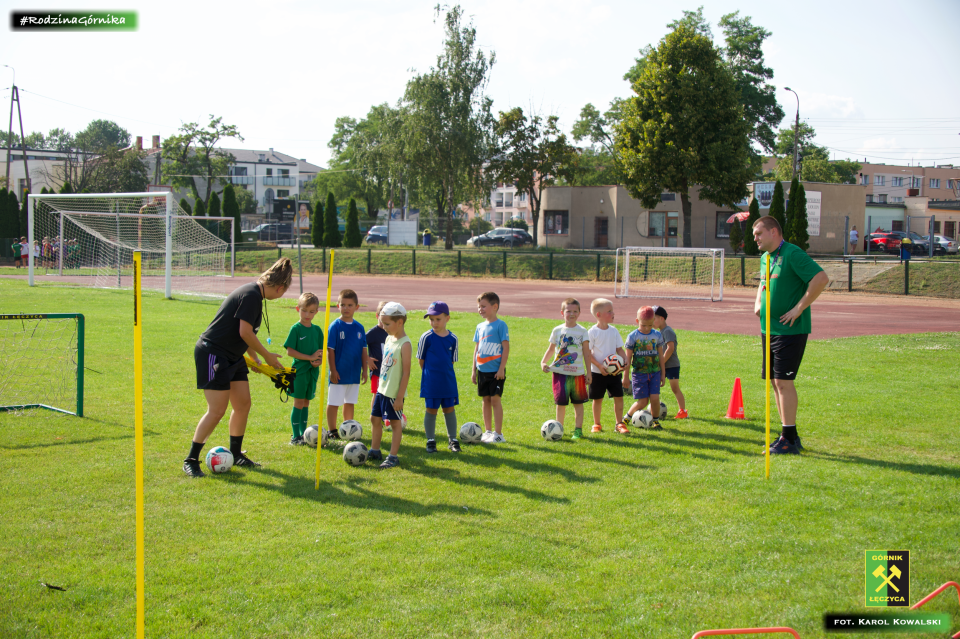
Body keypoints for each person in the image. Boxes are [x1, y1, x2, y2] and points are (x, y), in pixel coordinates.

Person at [183, 257, 293, 477]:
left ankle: (236, 454)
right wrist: (268, 356)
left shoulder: (255, 295)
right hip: (213, 353)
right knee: (217, 411)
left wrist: (255, 360)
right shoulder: (252, 296)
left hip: (234, 356)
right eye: (282, 292)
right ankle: (191, 460)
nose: (280, 296)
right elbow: (245, 332)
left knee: (243, 404)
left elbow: (243, 334)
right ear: (280, 287)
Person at [753, 215, 829, 454]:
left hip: (790, 330)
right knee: (775, 384)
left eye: (759, 233)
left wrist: (799, 307)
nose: (755, 238)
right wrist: (758, 303)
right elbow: (763, 284)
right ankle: (789, 435)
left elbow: (821, 278)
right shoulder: (766, 258)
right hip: (769, 328)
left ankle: (788, 437)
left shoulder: (793, 254)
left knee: (784, 382)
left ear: (774, 232)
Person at [368, 302, 412, 468]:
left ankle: (393, 456)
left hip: (394, 393)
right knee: (374, 418)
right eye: (382, 323)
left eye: (387, 324)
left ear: (399, 322)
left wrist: (400, 397)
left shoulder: (405, 344)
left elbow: (406, 372)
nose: (384, 327)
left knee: (395, 423)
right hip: (382, 389)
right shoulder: (388, 338)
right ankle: (375, 450)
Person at [541, 298, 592, 440]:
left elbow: (587, 353)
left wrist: (588, 372)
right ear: (562, 313)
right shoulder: (557, 330)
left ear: (580, 313)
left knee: (578, 403)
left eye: (575, 311)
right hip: (559, 374)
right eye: (568, 311)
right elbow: (551, 349)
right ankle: (559, 429)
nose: (572, 314)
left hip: (577, 374)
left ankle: (578, 430)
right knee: (560, 403)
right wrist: (543, 362)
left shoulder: (582, 331)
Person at [417, 301, 461, 453]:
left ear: (447, 318)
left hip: (448, 382)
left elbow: (451, 361)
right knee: (431, 410)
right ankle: (430, 440)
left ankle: (453, 439)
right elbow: (421, 360)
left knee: (449, 409)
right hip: (431, 382)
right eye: (431, 319)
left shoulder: (453, 338)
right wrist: (431, 375)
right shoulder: (426, 337)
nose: (434, 323)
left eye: (438, 319)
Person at [326, 289, 368, 438]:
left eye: (350, 305)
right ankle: (332, 431)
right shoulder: (335, 326)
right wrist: (333, 370)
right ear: (338, 306)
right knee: (334, 402)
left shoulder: (359, 328)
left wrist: (365, 369)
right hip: (339, 372)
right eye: (343, 305)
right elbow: (330, 350)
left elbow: (364, 350)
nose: (346, 308)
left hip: (354, 372)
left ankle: (348, 429)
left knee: (349, 402)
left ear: (356, 307)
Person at [283, 292, 324, 445]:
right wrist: (310, 358)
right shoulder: (296, 329)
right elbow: (290, 351)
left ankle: (304, 434)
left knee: (306, 402)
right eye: (304, 310)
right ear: (297, 309)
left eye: (312, 311)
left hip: (312, 373)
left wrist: (318, 361)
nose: (308, 314)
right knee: (298, 403)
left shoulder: (317, 330)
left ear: (316, 312)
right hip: (299, 372)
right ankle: (295, 437)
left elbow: (320, 352)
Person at [586, 298, 628, 434]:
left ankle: (619, 423)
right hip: (597, 373)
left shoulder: (614, 331)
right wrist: (599, 365)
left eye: (612, 310)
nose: (613, 313)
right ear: (598, 315)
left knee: (618, 397)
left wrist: (625, 359)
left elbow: (619, 349)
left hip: (615, 372)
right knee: (598, 399)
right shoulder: (592, 332)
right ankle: (597, 424)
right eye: (609, 311)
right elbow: (587, 353)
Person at [472, 291, 509, 443]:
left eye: (483, 306)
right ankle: (487, 432)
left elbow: (505, 348)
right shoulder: (480, 326)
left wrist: (501, 368)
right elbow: (477, 348)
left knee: (495, 400)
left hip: (496, 372)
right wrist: (473, 370)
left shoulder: (501, 325)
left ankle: (498, 434)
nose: (480, 309)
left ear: (495, 307)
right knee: (485, 400)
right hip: (482, 371)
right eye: (479, 306)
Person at [622, 306, 665, 430]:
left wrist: (663, 373)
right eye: (643, 325)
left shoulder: (657, 335)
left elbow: (661, 356)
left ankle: (656, 421)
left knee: (655, 398)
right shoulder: (632, 336)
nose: (646, 329)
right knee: (643, 402)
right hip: (639, 374)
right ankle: (626, 418)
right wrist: (625, 377)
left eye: (650, 325)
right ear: (637, 321)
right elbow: (627, 359)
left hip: (655, 373)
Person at [652, 306, 687, 419]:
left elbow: (670, 348)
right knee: (654, 387)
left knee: (675, 388)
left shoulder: (667, 331)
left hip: (671, 365)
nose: (652, 322)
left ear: (661, 318)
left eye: (654, 319)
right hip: (662, 365)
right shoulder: (659, 332)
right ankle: (654, 408)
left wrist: (661, 362)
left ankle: (682, 411)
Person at [366, 301, 389, 413]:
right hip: (377, 370)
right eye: (382, 317)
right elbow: (359, 345)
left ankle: (387, 416)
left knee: (388, 394)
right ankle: (375, 417)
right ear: (377, 316)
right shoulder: (373, 333)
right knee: (377, 394)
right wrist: (367, 359)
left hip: (390, 370)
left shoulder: (391, 332)